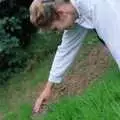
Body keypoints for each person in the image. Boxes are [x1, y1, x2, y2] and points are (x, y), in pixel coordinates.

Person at [29, 0, 120, 113]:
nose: (58, 32)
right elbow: (65, 50)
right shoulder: (75, 11)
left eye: (55, 29)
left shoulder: (99, 7)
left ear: (61, 13)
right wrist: (48, 88)